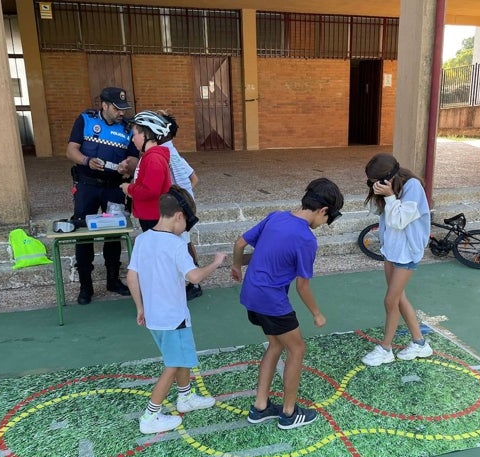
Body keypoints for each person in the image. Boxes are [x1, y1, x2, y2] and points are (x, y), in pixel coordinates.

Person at [230, 178, 344, 430]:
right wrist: (317, 313)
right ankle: (289, 413)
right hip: (271, 301)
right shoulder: (306, 239)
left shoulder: (276, 217)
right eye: (327, 220)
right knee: (297, 349)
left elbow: (240, 243)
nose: (323, 225)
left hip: (251, 296)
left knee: (275, 344)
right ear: (323, 211)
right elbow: (302, 286)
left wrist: (236, 266)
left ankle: (260, 407)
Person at [126, 186, 227, 434]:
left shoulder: (142, 239)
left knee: (179, 358)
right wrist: (215, 263)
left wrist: (140, 307)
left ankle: (185, 397)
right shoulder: (176, 244)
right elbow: (193, 276)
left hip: (154, 317)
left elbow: (131, 276)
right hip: (174, 318)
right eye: (187, 224)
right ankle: (150, 416)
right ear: (179, 217)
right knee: (172, 364)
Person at [66, 86, 139, 305]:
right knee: (83, 234)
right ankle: (85, 286)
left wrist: (127, 166)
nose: (121, 113)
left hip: (114, 186)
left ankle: (113, 280)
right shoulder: (85, 120)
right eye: (117, 109)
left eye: (123, 109)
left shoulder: (128, 128)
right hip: (87, 186)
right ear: (104, 105)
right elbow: (71, 150)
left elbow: (134, 159)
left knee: (113, 234)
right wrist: (87, 161)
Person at [360, 153, 434, 367]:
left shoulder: (412, 187)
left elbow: (400, 220)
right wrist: (376, 193)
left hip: (407, 252)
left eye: (376, 180)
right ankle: (420, 343)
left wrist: (391, 196)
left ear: (388, 177)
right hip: (391, 250)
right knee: (399, 299)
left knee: (390, 301)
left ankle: (385, 349)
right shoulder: (386, 187)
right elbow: (374, 211)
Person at [119, 110, 178, 232]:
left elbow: (151, 191)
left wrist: (129, 188)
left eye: (134, 134)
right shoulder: (149, 156)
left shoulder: (153, 159)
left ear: (146, 135)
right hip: (150, 215)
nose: (133, 139)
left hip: (154, 217)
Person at [162, 137, 204, 301]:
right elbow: (194, 178)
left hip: (178, 211)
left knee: (185, 243)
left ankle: (194, 284)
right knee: (184, 241)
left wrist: (180, 199)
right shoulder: (170, 155)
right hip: (174, 210)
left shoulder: (173, 157)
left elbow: (194, 179)